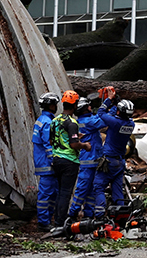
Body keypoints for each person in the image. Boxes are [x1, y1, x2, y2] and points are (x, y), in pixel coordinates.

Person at [92, 87, 136, 218]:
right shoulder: (130, 124)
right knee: (117, 189)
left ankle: (99, 215)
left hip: (109, 160)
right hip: (120, 161)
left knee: (98, 187)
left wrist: (108, 100)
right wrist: (117, 102)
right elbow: (113, 115)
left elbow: (101, 113)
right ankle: (119, 216)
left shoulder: (115, 122)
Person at [51, 90, 91, 227]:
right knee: (65, 193)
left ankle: (56, 220)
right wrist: (84, 145)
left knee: (59, 191)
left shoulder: (55, 121)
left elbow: (52, 140)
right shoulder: (72, 122)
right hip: (69, 161)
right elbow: (74, 145)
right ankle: (60, 223)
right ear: (74, 105)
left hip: (56, 159)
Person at [67, 97, 105, 220]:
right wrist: (108, 104)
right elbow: (104, 120)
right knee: (83, 189)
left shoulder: (83, 121)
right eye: (89, 106)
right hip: (88, 162)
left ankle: (88, 214)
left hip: (90, 161)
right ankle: (73, 213)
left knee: (91, 189)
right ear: (84, 109)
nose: (91, 108)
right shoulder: (89, 122)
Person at [32, 92, 59, 231]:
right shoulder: (48, 122)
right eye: (55, 104)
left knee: (52, 192)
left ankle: (47, 220)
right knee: (46, 194)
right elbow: (49, 143)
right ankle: (43, 222)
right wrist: (53, 160)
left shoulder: (41, 119)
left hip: (43, 162)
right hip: (47, 164)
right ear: (51, 105)